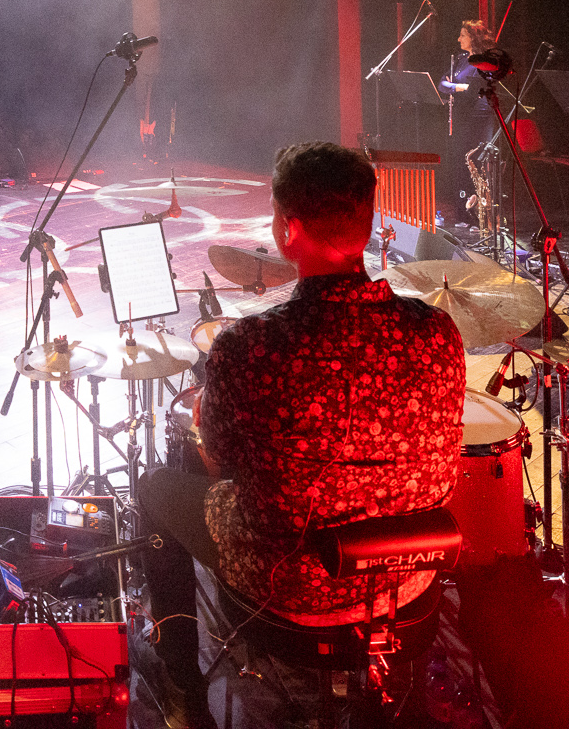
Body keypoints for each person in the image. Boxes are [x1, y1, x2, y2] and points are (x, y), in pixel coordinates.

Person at [137, 143, 465, 728]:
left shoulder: (251, 347)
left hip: (290, 589)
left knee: (157, 487)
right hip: (408, 585)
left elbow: (220, 467)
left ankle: (182, 687)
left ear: (289, 231)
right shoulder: (437, 331)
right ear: (367, 222)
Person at [439, 20, 503, 214]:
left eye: (463, 35)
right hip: (462, 116)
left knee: (477, 163)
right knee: (461, 164)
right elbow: (442, 84)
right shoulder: (461, 59)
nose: (458, 39)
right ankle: (463, 211)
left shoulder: (484, 62)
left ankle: (481, 214)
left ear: (474, 38)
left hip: (479, 117)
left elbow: (474, 90)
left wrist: (455, 87)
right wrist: (459, 87)